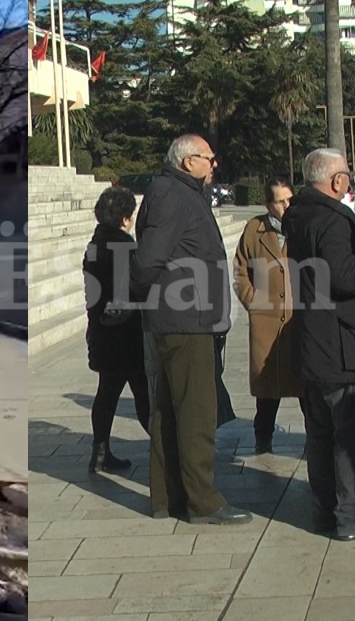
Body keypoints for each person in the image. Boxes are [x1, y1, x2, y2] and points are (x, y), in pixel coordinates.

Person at [132, 133, 250, 525]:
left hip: (185, 317)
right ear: (188, 162)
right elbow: (149, 259)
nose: (214, 164)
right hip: (185, 320)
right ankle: (204, 502)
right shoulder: (171, 194)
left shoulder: (180, 191)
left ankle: (168, 497)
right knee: (197, 413)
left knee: (169, 411)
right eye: (208, 158)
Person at [284, 148, 355, 541]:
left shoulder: (300, 214)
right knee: (352, 435)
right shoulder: (332, 220)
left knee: (320, 434)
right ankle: (352, 517)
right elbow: (348, 276)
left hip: (314, 343)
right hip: (342, 346)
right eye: (348, 175)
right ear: (336, 181)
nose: (349, 181)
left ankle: (325, 513)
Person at [82, 186, 151, 474]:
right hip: (128, 334)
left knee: (107, 392)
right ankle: (164, 449)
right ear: (125, 218)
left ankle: (100, 451)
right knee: (144, 394)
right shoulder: (126, 249)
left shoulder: (94, 246)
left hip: (101, 330)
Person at [232, 177, 301, 455]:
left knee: (305, 387)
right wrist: (253, 301)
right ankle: (263, 438)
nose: (286, 205)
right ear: (268, 204)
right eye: (280, 201)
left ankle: (318, 440)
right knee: (267, 389)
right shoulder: (254, 230)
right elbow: (240, 271)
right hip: (266, 321)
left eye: (289, 199)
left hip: (297, 321)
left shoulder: (303, 226)